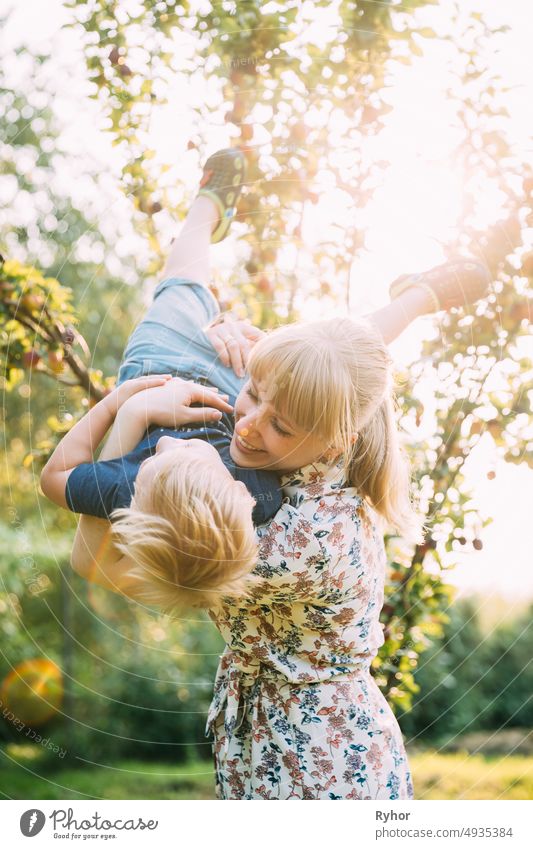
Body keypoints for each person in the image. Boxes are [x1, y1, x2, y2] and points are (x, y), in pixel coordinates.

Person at [44, 147, 490, 799]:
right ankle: (417, 295)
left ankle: (389, 294)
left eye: (280, 424)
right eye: (254, 396)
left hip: (308, 766)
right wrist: (257, 356)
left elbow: (97, 563)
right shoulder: (330, 433)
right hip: (307, 734)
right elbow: (342, 356)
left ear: (332, 438)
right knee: (304, 347)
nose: (250, 426)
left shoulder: (285, 542)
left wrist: (132, 409)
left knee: (168, 317)